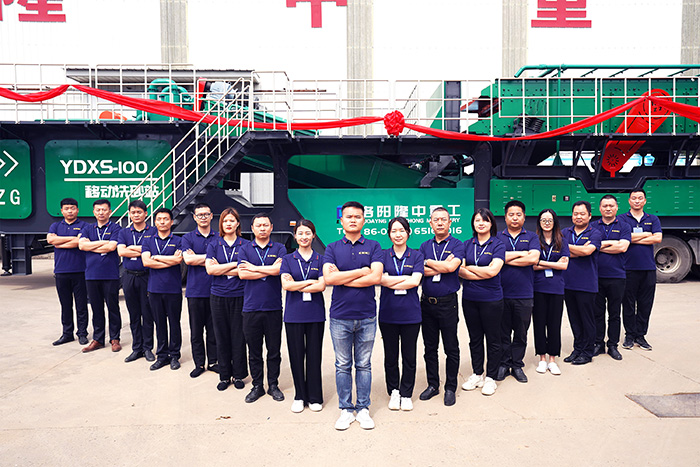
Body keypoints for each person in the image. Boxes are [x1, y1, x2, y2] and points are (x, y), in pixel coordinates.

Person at [323, 201, 383, 430]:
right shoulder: (332, 248)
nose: (353, 220)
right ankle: (346, 409)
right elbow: (329, 279)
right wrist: (360, 272)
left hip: (367, 315)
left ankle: (364, 408)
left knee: (364, 364)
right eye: (349, 216)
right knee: (342, 364)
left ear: (364, 220)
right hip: (340, 316)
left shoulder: (374, 246)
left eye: (357, 216)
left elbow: (375, 278)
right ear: (342, 220)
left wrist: (343, 276)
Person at [418, 207, 464, 407]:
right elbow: (420, 270)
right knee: (430, 348)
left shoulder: (457, 244)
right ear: (430, 223)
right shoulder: (424, 245)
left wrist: (430, 263)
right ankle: (433, 385)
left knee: (451, 347)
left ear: (450, 222)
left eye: (443, 219)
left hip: (447, 304)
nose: (439, 223)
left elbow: (451, 267)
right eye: (435, 219)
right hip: (426, 303)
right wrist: (441, 265)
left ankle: (450, 387)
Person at [238, 213, 286, 403]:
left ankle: (273, 384)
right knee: (254, 351)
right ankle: (257, 385)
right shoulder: (245, 249)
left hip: (273, 307)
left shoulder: (280, 248)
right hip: (251, 308)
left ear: (271, 227)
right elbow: (243, 274)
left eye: (266, 225)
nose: (262, 228)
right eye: (258, 225)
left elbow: (279, 270)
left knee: (274, 350)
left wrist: (254, 268)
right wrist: (268, 269)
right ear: (252, 228)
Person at [280, 220, 326, 413]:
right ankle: (299, 396)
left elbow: (322, 285)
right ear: (295, 236)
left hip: (315, 314)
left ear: (313, 235)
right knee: (296, 356)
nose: (304, 237)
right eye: (300, 233)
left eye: (308, 233)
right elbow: (286, 285)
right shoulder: (288, 259)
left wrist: (297, 284)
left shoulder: (321, 259)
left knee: (314, 356)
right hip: (294, 315)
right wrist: (309, 282)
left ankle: (315, 396)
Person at [378, 217, 424, 412]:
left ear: (408, 232)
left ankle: (406, 394)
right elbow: (379, 279)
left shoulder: (417, 255)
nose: (398, 234)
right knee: (391, 356)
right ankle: (394, 391)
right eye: (394, 231)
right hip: (388, 313)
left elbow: (415, 281)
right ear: (389, 234)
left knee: (409, 356)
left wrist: (391, 279)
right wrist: (405, 278)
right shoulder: (382, 255)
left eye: (402, 230)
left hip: (410, 314)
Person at [459, 208, 505, 396]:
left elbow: (493, 271)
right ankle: (477, 374)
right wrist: (482, 272)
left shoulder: (498, 244)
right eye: (477, 220)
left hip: (492, 299)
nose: (481, 223)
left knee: (493, 339)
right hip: (470, 299)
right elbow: (460, 270)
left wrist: (471, 268)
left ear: (491, 223)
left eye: (485, 220)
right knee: (475, 338)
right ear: (473, 223)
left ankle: (491, 377)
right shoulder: (466, 244)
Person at [496, 200, 539, 384]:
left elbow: (533, 259)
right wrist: (522, 253)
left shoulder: (532, 237)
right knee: (503, 332)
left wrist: (505, 258)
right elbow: (495, 257)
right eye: (511, 215)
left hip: (524, 293)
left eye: (518, 214)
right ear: (505, 217)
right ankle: (504, 364)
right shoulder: (497, 237)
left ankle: (517, 365)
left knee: (521, 332)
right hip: (501, 293)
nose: (515, 218)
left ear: (524, 217)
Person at [205, 207, 249, 391]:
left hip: (240, 295)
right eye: (225, 221)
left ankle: (238, 374)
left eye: (232, 220)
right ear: (221, 224)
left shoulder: (246, 245)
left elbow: (245, 271)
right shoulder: (214, 244)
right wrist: (234, 265)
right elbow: (210, 270)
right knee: (221, 335)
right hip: (218, 296)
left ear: (237, 223)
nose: (228, 224)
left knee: (239, 336)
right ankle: (224, 376)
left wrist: (221, 267)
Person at [619, 189, 662, 351]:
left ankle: (641, 335)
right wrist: (646, 234)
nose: (637, 200)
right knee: (628, 304)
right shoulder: (622, 219)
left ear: (645, 201)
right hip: (627, 268)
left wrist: (631, 238)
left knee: (645, 304)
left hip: (648, 269)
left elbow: (658, 238)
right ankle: (629, 335)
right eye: (634, 198)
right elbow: (622, 238)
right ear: (629, 200)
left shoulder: (652, 218)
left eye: (640, 198)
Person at [141, 208, 184, 371]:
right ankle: (162, 356)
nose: (162, 222)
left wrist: (157, 258)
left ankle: (174, 355)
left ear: (171, 222)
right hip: (155, 289)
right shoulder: (148, 241)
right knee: (159, 323)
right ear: (155, 222)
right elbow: (146, 262)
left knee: (174, 323)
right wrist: (169, 260)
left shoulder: (178, 240)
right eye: (159, 219)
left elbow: (178, 260)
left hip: (173, 289)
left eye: (166, 219)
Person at [78, 199, 122, 353]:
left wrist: (92, 245)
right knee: (96, 308)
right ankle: (98, 339)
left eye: (104, 210)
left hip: (110, 274)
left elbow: (112, 247)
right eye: (98, 210)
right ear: (94, 212)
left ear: (110, 211)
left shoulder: (116, 228)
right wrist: (103, 243)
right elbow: (81, 245)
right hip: (92, 274)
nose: (101, 212)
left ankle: (115, 339)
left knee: (113, 307)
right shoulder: (88, 228)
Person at [562, 201, 602, 365]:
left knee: (587, 320)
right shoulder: (565, 232)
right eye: (576, 214)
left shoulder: (595, 233)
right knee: (574, 319)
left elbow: (587, 251)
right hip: (567, 283)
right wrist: (578, 250)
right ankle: (577, 349)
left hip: (586, 284)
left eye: (582, 214)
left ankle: (587, 352)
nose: (578, 216)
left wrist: (568, 248)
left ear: (589, 215)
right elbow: (559, 253)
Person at [117, 200, 157, 363]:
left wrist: (131, 248)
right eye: (133, 212)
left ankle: (147, 348)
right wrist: (143, 250)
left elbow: (154, 250)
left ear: (145, 214)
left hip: (147, 276)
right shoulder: (124, 232)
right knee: (134, 314)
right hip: (129, 276)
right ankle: (137, 348)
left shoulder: (153, 231)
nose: (136, 215)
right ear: (129, 214)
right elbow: (121, 251)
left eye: (139, 212)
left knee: (147, 314)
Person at [182, 203, 219, 378]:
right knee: (196, 330)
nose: (203, 217)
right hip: (195, 291)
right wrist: (211, 258)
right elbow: (188, 260)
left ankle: (213, 362)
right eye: (199, 215)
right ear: (194, 217)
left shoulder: (219, 237)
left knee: (213, 330)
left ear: (211, 216)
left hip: (216, 290)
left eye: (206, 214)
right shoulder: (187, 238)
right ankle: (199, 363)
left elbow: (222, 259)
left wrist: (198, 257)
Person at [593, 195, 631, 361]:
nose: (608, 208)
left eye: (611, 205)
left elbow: (623, 247)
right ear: (600, 208)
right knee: (597, 313)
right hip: (596, 276)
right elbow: (590, 247)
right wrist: (612, 243)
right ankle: (598, 343)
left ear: (617, 208)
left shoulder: (624, 226)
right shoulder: (593, 226)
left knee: (614, 313)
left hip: (617, 276)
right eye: (604, 206)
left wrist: (600, 245)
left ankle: (613, 345)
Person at [532, 209, 569, 375]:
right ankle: (541, 358)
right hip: (538, 287)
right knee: (539, 323)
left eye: (550, 220)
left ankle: (552, 359)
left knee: (554, 324)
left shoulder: (562, 241)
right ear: (539, 222)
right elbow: (532, 264)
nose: (546, 223)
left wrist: (541, 263)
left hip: (556, 288)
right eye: (543, 220)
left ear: (555, 222)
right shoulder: (534, 240)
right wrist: (555, 264)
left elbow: (564, 265)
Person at [47, 198, 89, 346]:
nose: (70, 211)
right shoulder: (55, 225)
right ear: (62, 211)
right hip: (61, 271)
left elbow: (80, 242)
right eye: (66, 208)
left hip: (80, 271)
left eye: (72, 208)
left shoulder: (84, 226)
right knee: (65, 305)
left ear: (77, 210)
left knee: (81, 305)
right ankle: (67, 334)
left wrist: (59, 241)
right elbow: (50, 240)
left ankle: (82, 333)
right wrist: (73, 239)